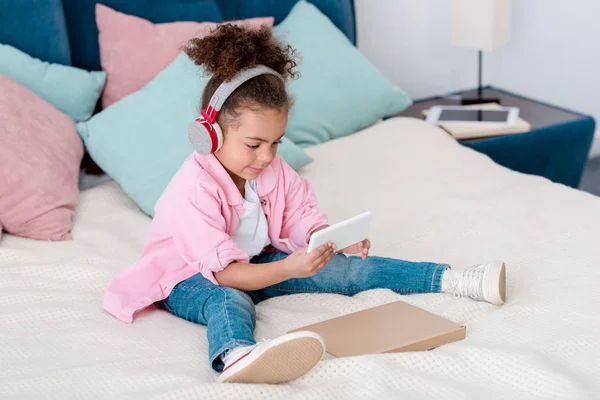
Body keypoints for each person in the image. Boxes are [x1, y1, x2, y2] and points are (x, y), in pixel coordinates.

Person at [103, 24, 506, 385]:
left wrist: (327, 239)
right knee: (228, 301)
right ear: (209, 135)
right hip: (191, 277)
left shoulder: (274, 171)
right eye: (253, 144)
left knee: (345, 269)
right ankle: (235, 355)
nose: (266, 156)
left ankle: (453, 279)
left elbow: (300, 215)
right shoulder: (193, 188)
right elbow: (225, 276)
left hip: (257, 261)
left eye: (276, 142)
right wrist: (286, 267)